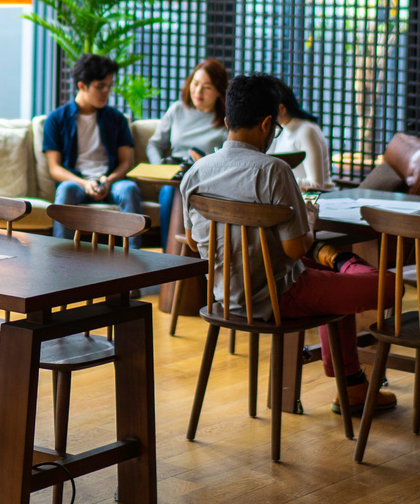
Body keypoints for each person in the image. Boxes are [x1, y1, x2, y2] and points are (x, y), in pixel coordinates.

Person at [180, 74, 396, 412]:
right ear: (268, 123)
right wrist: (309, 221)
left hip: (225, 297)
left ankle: (352, 387)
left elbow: (194, 243)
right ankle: (336, 258)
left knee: (332, 293)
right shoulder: (275, 171)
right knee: (388, 286)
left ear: (226, 121)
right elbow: (296, 248)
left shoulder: (196, 173)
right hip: (279, 297)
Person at [40, 53, 142, 238]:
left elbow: (125, 163)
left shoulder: (117, 119)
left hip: (109, 183)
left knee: (129, 189)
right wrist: (85, 183)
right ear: (82, 85)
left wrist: (108, 180)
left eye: (109, 86)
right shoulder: (56, 119)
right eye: (100, 87)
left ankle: (136, 257)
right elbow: (54, 168)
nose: (107, 92)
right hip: (77, 183)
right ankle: (59, 258)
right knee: (65, 189)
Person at [148, 59, 229, 243]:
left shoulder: (226, 120)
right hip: (174, 177)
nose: (198, 91)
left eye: (207, 87)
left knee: (182, 193)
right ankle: (169, 255)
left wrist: (207, 160)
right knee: (172, 192)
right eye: (195, 83)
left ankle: (183, 256)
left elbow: (228, 155)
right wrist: (160, 169)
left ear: (219, 90)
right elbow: (154, 145)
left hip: (205, 181)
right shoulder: (177, 110)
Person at [266, 77, 333, 192]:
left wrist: (280, 181)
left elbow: (316, 184)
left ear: (281, 108)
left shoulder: (306, 131)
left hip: (316, 200)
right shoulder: (280, 130)